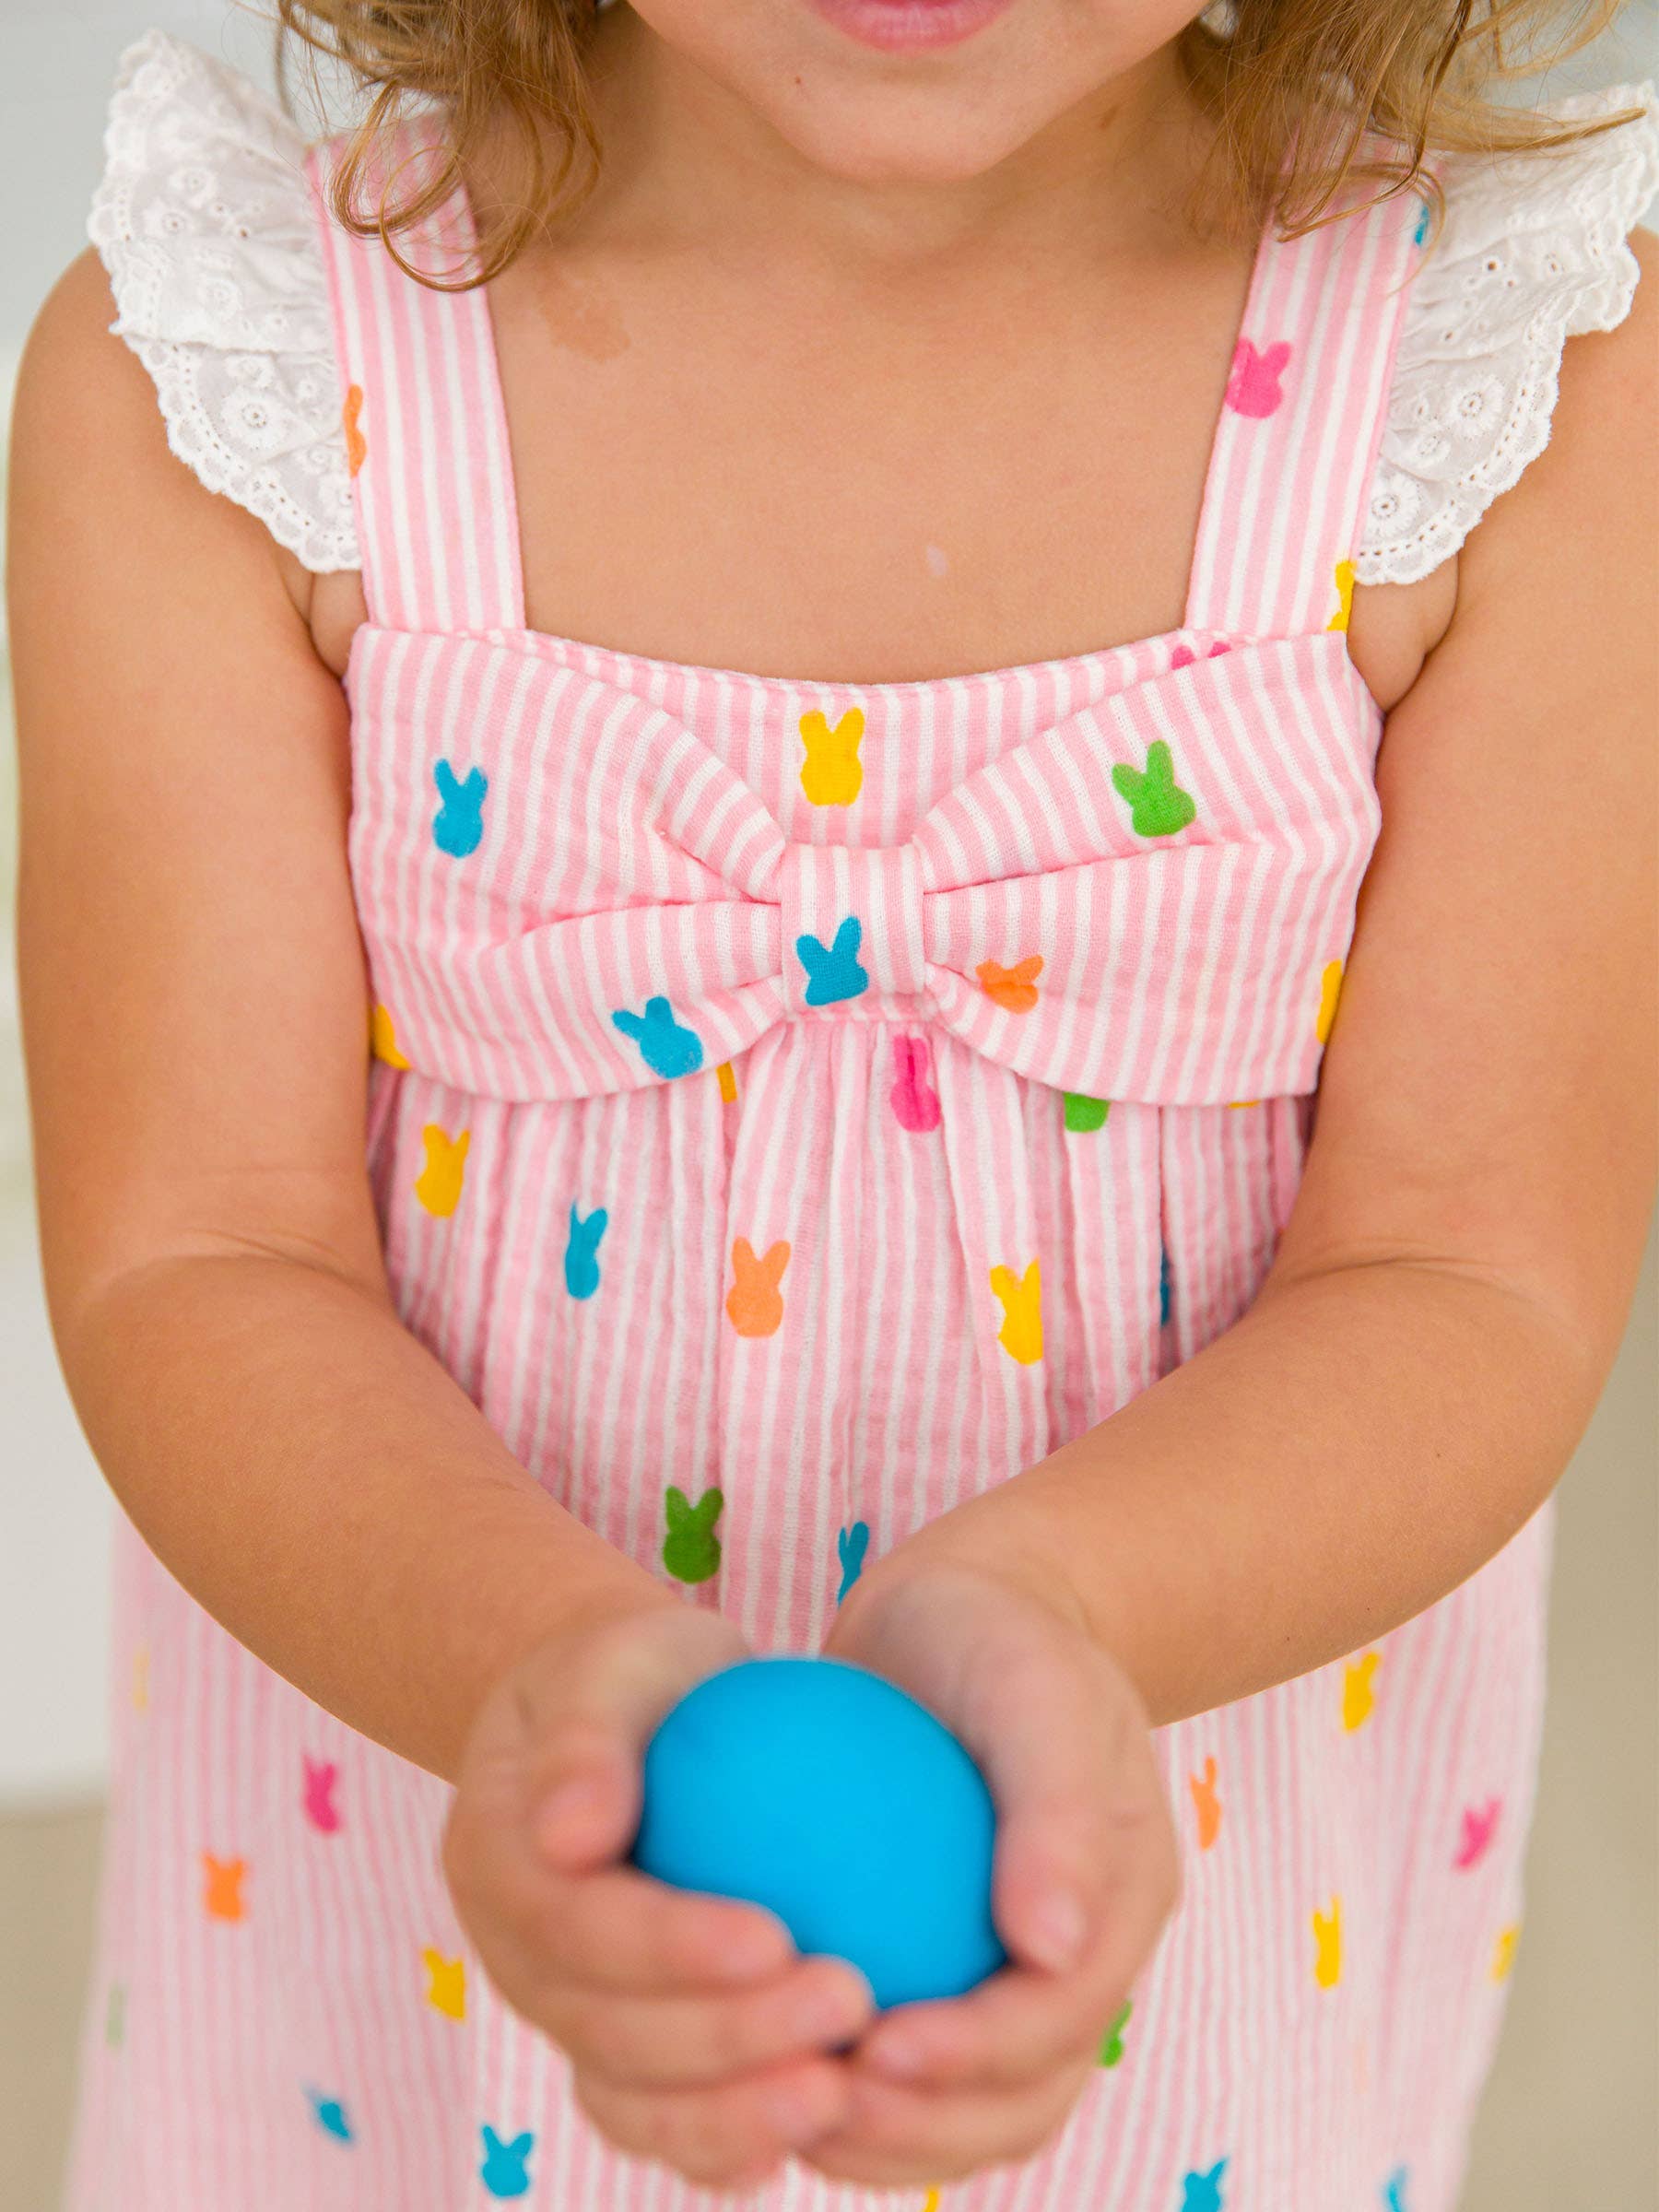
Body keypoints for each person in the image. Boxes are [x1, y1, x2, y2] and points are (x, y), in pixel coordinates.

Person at [8, 2, 1655, 2206]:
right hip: (439, 1855)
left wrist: (1064, 1608)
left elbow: (1471, 1269)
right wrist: (550, 1687)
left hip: (1163, 1850)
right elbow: (201, 1251)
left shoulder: (1518, 380)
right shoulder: (229, 371)